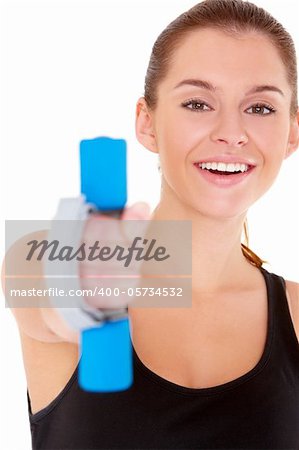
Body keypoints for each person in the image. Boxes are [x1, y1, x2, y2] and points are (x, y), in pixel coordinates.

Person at [3, 0, 299, 448]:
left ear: (292, 134)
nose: (232, 132)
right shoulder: (45, 258)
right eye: (198, 103)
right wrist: (80, 298)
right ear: (148, 124)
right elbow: (36, 287)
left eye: (260, 108)